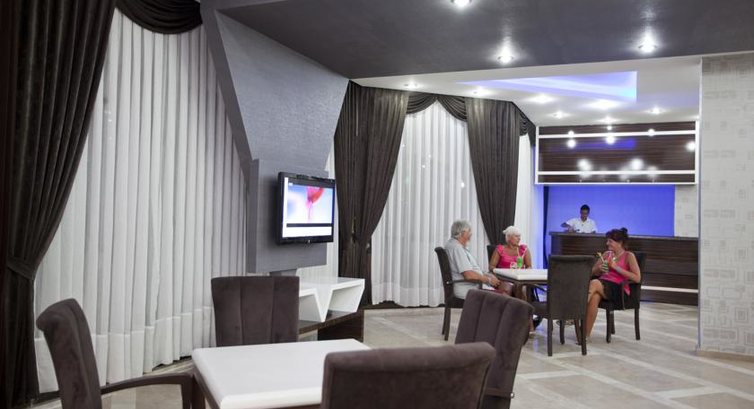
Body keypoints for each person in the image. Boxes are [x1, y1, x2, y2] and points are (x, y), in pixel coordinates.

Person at [584, 227, 641, 343]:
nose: (607, 243)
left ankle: (574, 313)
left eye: (610, 241)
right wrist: (599, 269)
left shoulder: (629, 256)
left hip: (619, 290)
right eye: (607, 241)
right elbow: (592, 272)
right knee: (594, 297)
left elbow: (637, 278)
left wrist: (616, 267)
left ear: (620, 243)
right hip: (603, 286)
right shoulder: (606, 254)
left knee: (594, 283)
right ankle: (585, 335)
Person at [444, 220, 511, 299]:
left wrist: (487, 275)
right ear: (463, 233)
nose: (471, 234)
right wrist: (489, 280)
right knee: (506, 298)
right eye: (469, 231)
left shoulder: (452, 244)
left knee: (506, 288)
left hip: (471, 286)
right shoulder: (457, 248)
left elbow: (471, 271)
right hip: (469, 289)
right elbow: (468, 275)